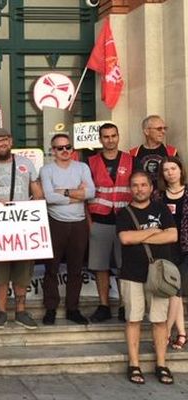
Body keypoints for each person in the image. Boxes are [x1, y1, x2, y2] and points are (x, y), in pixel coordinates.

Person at [0, 128, 43, 329]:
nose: (1, 144)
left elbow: (37, 192)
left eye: (4, 140)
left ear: (10, 141)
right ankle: (1, 311)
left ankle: (21, 311)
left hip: (23, 226)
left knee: (23, 271)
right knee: (0, 273)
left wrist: (37, 210)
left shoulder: (25, 163)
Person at [117, 171, 177, 385]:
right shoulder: (124, 213)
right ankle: (134, 364)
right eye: (135, 185)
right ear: (130, 188)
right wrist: (153, 231)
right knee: (133, 319)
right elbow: (125, 238)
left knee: (159, 321)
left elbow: (172, 235)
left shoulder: (161, 208)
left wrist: (140, 235)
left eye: (143, 185)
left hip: (159, 276)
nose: (139, 189)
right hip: (132, 274)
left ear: (151, 188)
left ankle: (161, 364)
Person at [39, 134, 95, 325]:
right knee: (51, 268)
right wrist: (77, 194)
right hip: (55, 221)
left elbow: (91, 192)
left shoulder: (82, 167)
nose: (65, 151)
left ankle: (73, 308)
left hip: (79, 223)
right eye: (60, 148)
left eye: (68, 147)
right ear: (53, 150)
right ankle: (51, 308)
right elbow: (49, 197)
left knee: (76, 269)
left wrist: (63, 191)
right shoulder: (46, 170)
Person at [87, 123, 132, 323]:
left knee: (125, 267)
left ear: (118, 136)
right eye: (106, 136)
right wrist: (90, 224)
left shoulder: (131, 160)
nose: (110, 139)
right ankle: (104, 305)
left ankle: (125, 306)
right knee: (100, 266)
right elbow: (85, 196)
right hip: (99, 221)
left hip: (125, 222)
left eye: (113, 135)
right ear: (100, 139)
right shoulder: (90, 162)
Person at [156, 157, 187, 350]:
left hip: (185, 247)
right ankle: (182, 333)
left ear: (180, 170)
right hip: (166, 247)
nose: (170, 172)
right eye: (166, 170)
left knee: (176, 290)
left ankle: (166, 332)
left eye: (173, 168)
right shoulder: (159, 196)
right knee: (174, 290)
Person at [130, 115, 178, 185]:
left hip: (166, 194)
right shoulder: (133, 153)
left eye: (165, 128)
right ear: (146, 131)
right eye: (159, 129)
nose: (163, 131)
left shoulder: (172, 152)